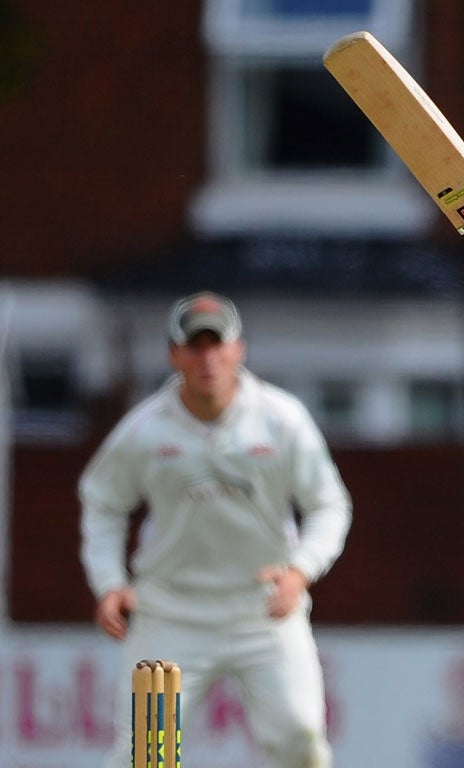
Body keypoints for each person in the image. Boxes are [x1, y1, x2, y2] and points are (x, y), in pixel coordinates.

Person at [79, 291, 352, 768]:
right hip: (170, 612)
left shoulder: (281, 419)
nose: (208, 358)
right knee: (146, 754)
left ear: (237, 350)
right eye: (195, 346)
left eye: (217, 344)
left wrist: (300, 571)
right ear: (174, 355)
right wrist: (110, 583)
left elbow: (329, 504)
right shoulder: (144, 430)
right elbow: (102, 503)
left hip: (264, 610)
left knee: (301, 740)